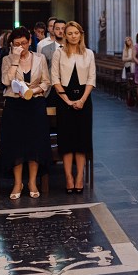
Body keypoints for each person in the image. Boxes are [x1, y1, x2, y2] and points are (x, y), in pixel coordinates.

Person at [0, 27, 51, 200]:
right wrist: (14, 60)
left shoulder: (40, 58)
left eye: (24, 43)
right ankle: (17, 182)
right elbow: (6, 81)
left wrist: (34, 90)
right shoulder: (7, 59)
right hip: (14, 105)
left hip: (35, 104)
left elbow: (46, 82)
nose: (21, 46)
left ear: (30, 41)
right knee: (16, 145)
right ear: (12, 45)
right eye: (17, 44)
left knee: (34, 144)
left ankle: (32, 182)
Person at [51, 21, 96, 193]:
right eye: (69, 33)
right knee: (67, 140)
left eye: (75, 33)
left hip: (84, 99)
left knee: (82, 140)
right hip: (64, 100)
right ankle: (68, 177)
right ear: (65, 36)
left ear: (81, 34)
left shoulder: (89, 54)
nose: (73, 36)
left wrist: (82, 100)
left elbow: (92, 78)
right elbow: (55, 79)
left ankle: (79, 178)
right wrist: (68, 101)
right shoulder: (59, 54)